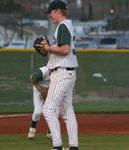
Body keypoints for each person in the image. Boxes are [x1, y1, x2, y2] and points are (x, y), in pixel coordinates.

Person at [42, 0, 79, 150]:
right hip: (67, 72)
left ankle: (57, 146)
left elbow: (65, 50)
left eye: (50, 12)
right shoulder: (67, 25)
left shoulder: (63, 26)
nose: (49, 16)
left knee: (48, 109)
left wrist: (48, 48)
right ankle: (73, 147)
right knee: (67, 111)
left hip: (63, 73)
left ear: (58, 11)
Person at [28, 66, 51, 139]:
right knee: (37, 111)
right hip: (39, 89)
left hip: (50, 91)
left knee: (54, 111)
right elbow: (31, 78)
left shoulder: (59, 73)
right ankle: (32, 128)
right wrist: (40, 90)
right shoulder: (43, 72)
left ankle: (50, 131)